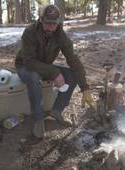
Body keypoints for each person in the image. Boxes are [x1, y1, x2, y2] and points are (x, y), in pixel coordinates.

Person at [15, 4, 96, 144]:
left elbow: (73, 59)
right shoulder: (30, 32)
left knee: (71, 75)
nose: (51, 27)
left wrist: (85, 88)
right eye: (48, 23)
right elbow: (29, 62)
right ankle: (39, 119)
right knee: (34, 78)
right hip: (25, 66)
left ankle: (57, 111)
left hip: (44, 66)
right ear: (41, 20)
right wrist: (54, 72)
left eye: (54, 24)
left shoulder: (60, 34)